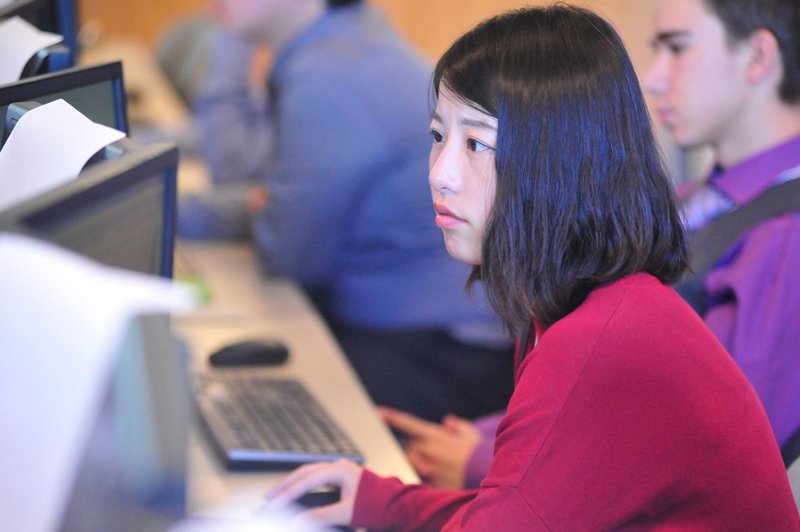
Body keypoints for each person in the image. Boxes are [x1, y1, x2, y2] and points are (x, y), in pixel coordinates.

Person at [263, 5, 800, 530]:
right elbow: (514, 509)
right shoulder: (573, 309)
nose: (440, 174)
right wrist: (378, 503)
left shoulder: (597, 337)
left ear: (556, 164)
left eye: (475, 143)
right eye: (437, 137)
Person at [179, 0, 515, 423]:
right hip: (428, 335)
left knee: (231, 400)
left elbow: (289, 255)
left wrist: (231, 39)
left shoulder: (332, 75)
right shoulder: (342, 42)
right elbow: (257, 181)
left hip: (442, 356)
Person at [643, 0, 800, 461]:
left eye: (678, 48)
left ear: (757, 58)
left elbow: (713, 448)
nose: (653, 77)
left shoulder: (786, 233)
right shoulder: (690, 198)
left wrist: (483, 456)